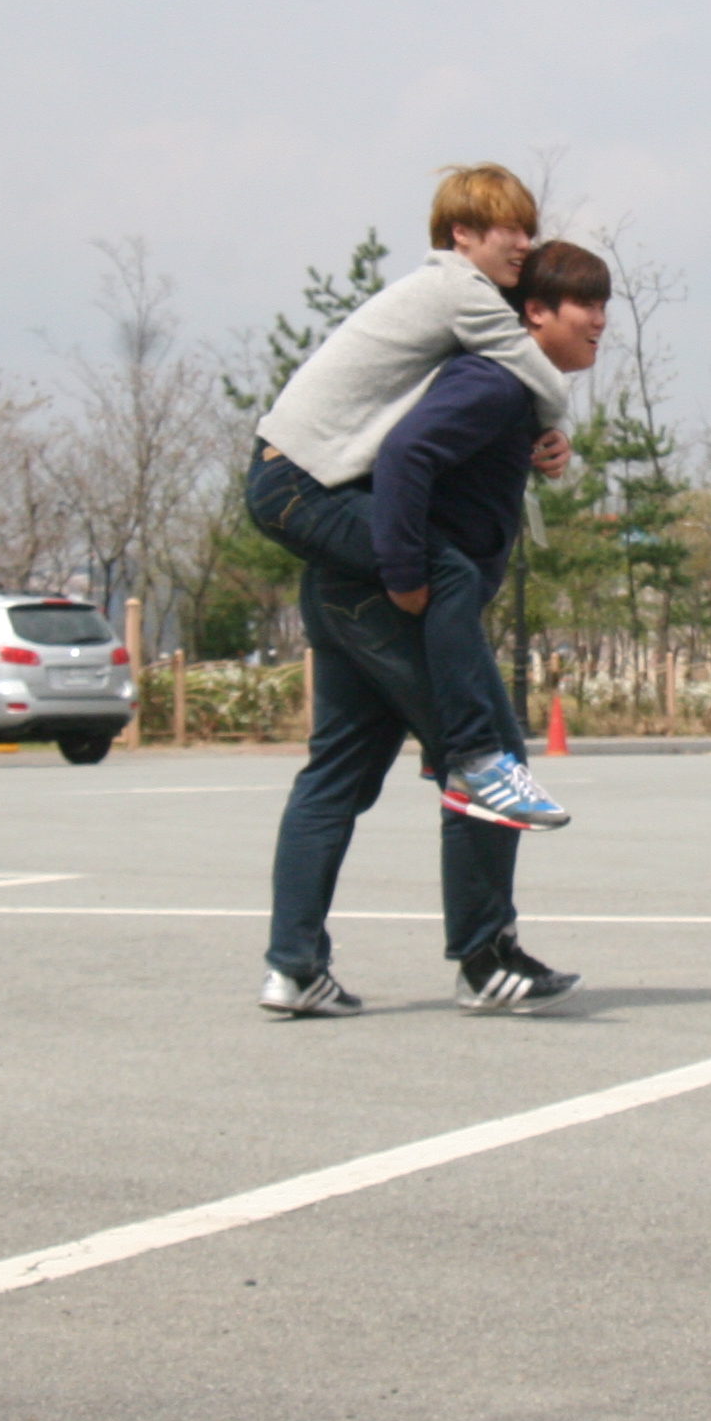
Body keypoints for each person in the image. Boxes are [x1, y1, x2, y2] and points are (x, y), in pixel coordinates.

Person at [262, 240, 609, 1017]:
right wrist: (409, 577)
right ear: (532, 315)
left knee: (337, 776)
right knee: (488, 760)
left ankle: (292, 968)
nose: (600, 320)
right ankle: (485, 961)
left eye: (603, 303)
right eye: (584, 304)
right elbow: (409, 453)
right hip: (389, 598)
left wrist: (540, 441)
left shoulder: (504, 392)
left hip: (346, 593)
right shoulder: (494, 381)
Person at [248, 163, 576, 830]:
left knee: (338, 771)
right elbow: (541, 375)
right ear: (462, 234)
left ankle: (294, 943)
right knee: (444, 568)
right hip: (299, 483)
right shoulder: (464, 291)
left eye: (528, 231)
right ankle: (474, 755)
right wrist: (403, 576)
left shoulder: (441, 290)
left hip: (290, 475)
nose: (523, 245)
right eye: (509, 230)